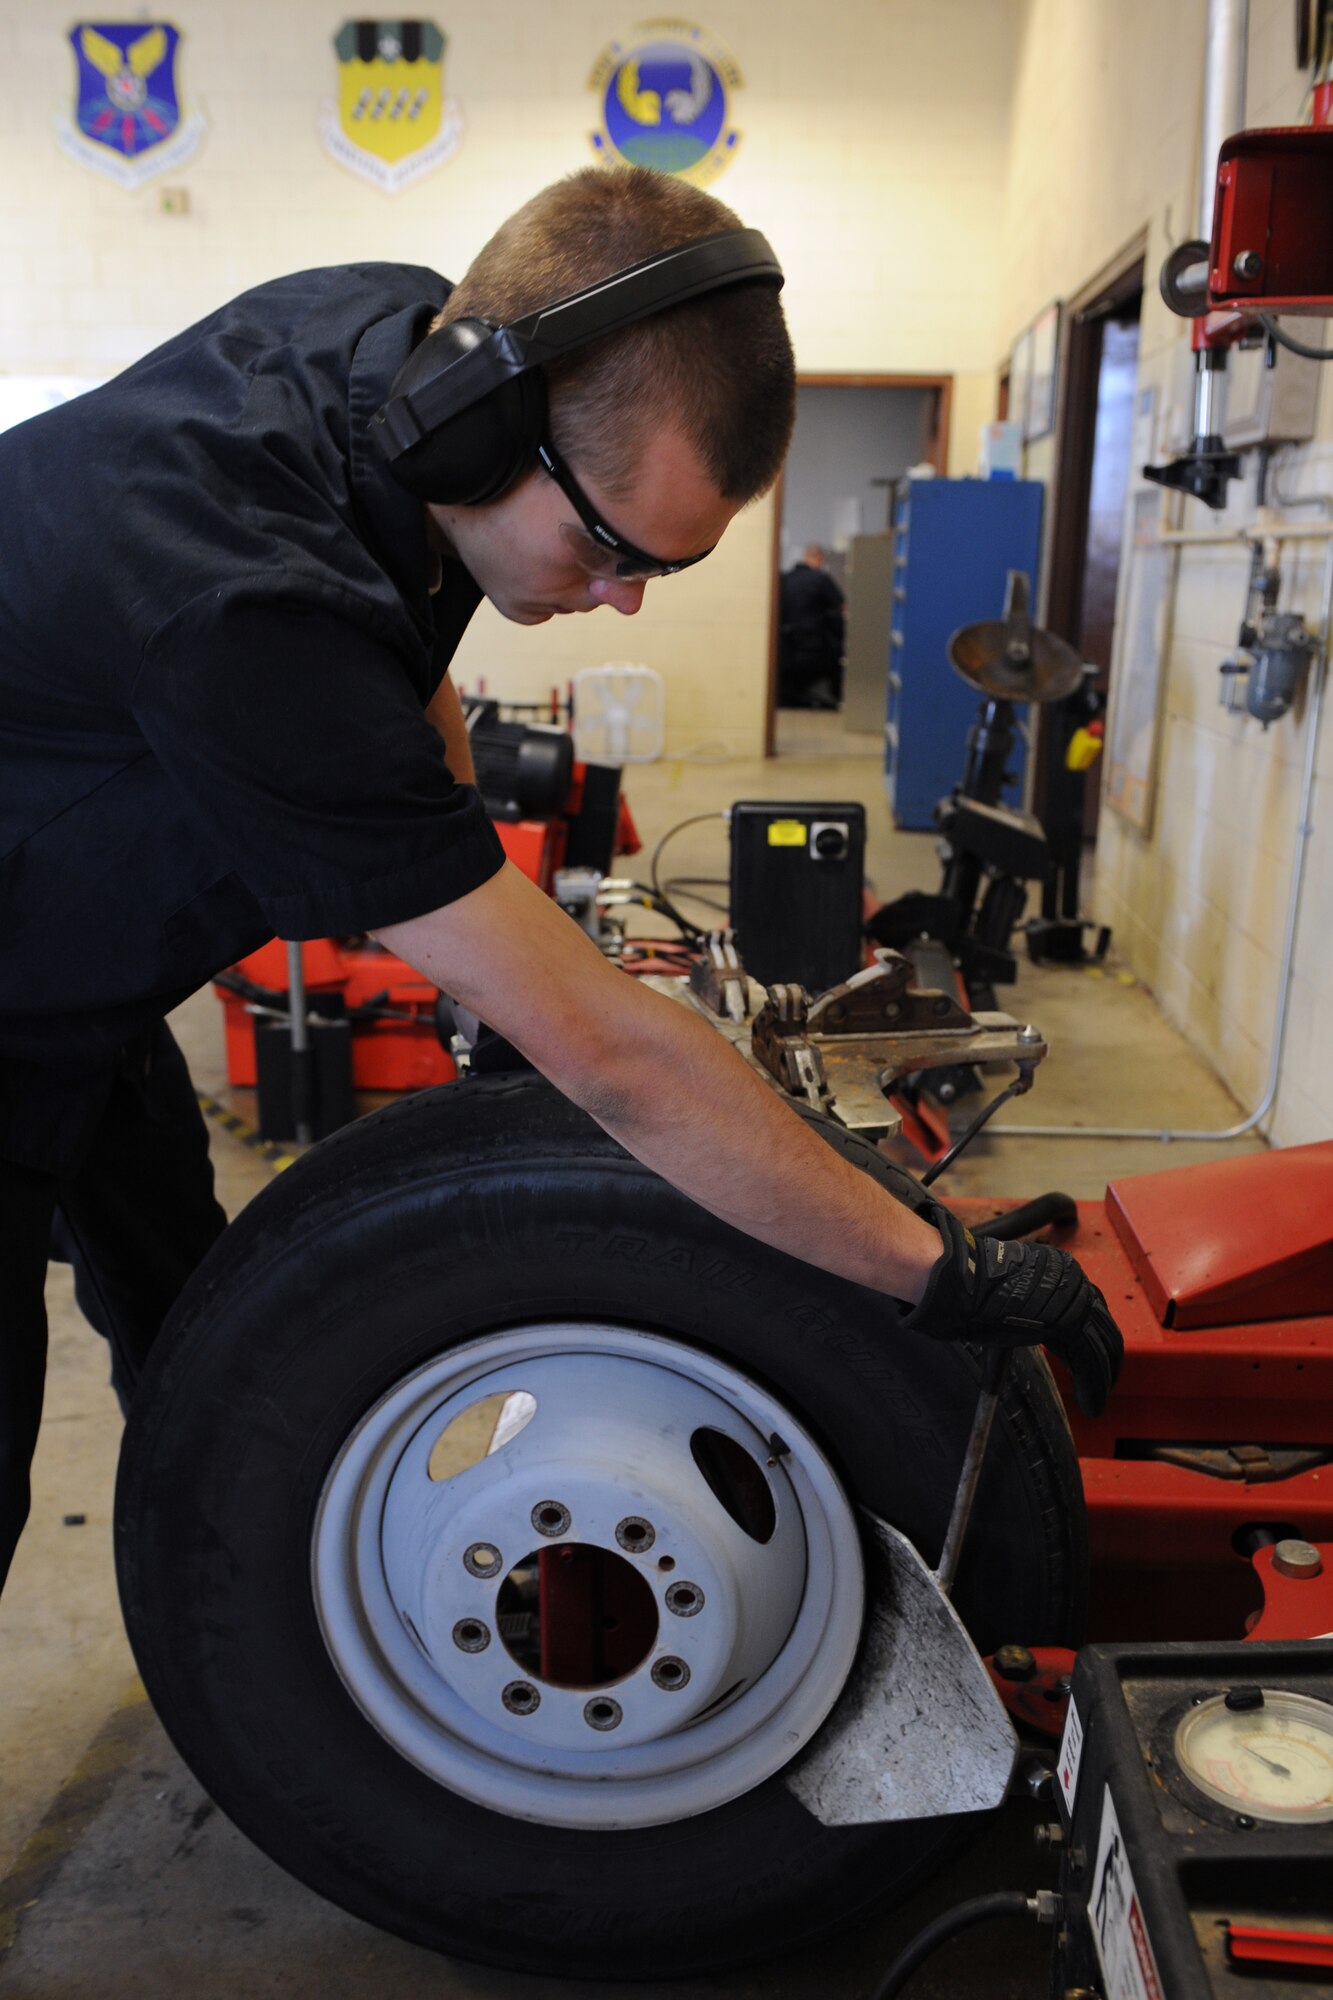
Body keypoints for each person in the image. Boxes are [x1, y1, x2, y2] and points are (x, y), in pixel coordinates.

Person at [0, 166, 1122, 1596]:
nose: (625, 599)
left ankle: (267, 1626)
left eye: (668, 564)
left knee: (201, 1319)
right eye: (607, 548)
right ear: (478, 431)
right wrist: (934, 1266)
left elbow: (412, 661)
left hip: (70, 956)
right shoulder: (244, 606)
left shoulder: (403, 357)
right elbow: (623, 1066)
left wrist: (463, 926)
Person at [778, 542, 845, 708]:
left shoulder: (786, 578)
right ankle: (835, 702)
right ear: (820, 558)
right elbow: (843, 607)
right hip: (816, 648)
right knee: (842, 659)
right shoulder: (821, 579)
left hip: (786, 649)